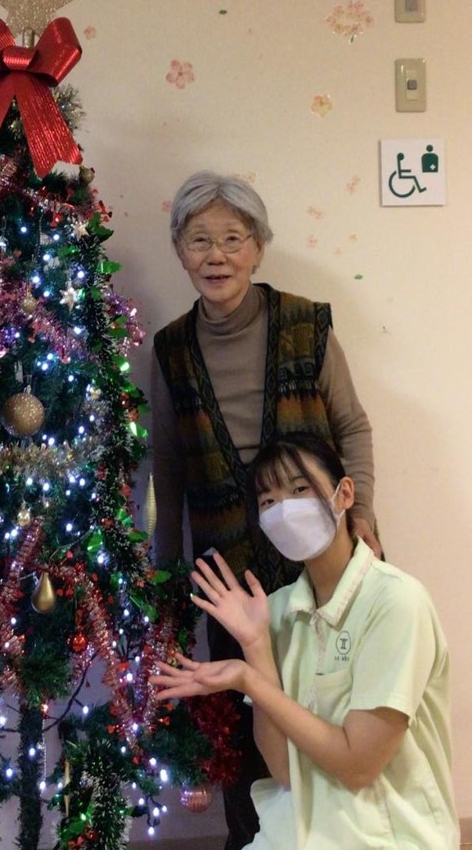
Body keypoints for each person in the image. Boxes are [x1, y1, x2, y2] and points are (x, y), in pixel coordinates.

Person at [150, 170, 377, 848]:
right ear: (179, 250)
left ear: (257, 246)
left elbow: (352, 424)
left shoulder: (306, 323)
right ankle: (253, 838)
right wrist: (168, 573)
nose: (215, 255)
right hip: (230, 568)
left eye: (232, 238)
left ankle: (344, 835)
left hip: (324, 551)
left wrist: (361, 511)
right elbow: (167, 464)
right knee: (245, 716)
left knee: (336, 701)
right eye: (199, 240)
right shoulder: (171, 348)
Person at [152, 432, 458, 850]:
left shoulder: (397, 602)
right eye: (268, 501)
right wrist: (256, 645)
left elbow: (358, 767)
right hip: (296, 828)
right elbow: (283, 769)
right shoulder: (276, 611)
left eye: (299, 490)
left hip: (388, 834)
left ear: (344, 493)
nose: (284, 510)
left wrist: (249, 679)